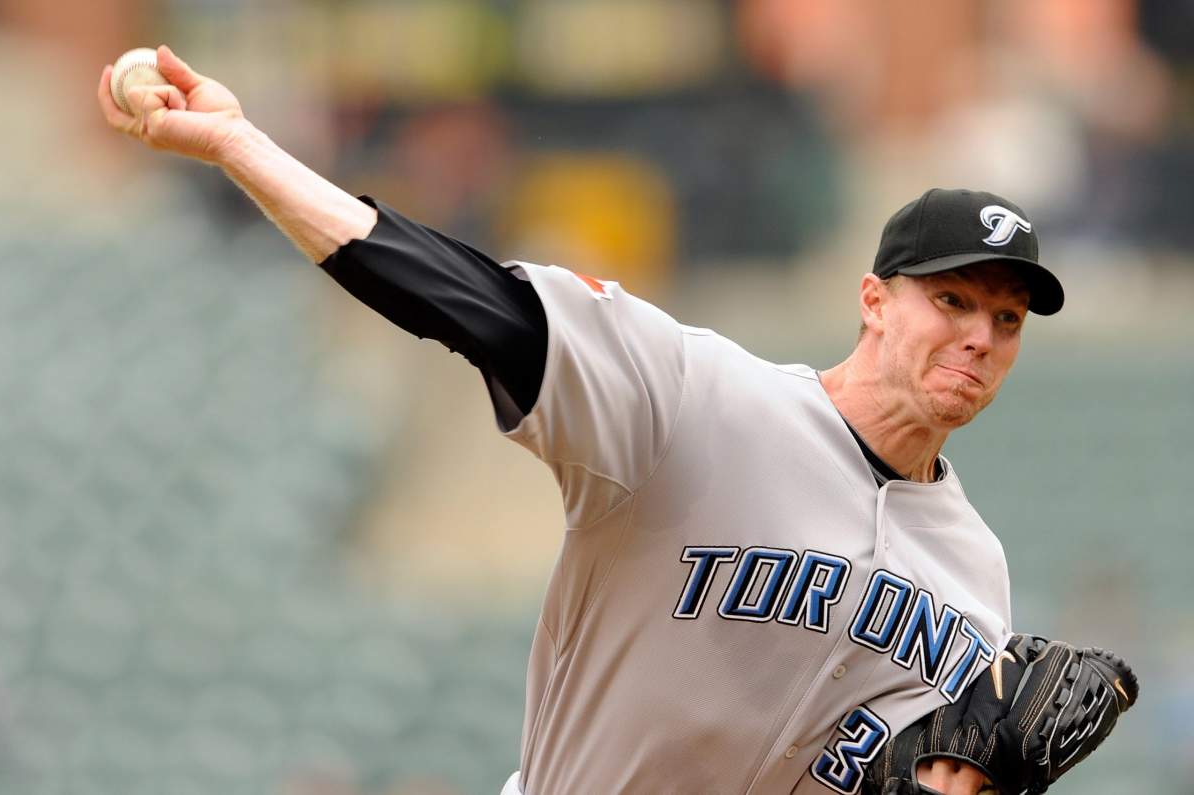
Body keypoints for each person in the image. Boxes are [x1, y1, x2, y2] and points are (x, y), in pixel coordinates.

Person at [98, 47, 1133, 795]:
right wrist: (242, 146)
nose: (980, 336)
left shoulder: (974, 575)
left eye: (1005, 318)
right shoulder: (696, 399)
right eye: (951, 301)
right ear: (873, 300)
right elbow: (466, 301)